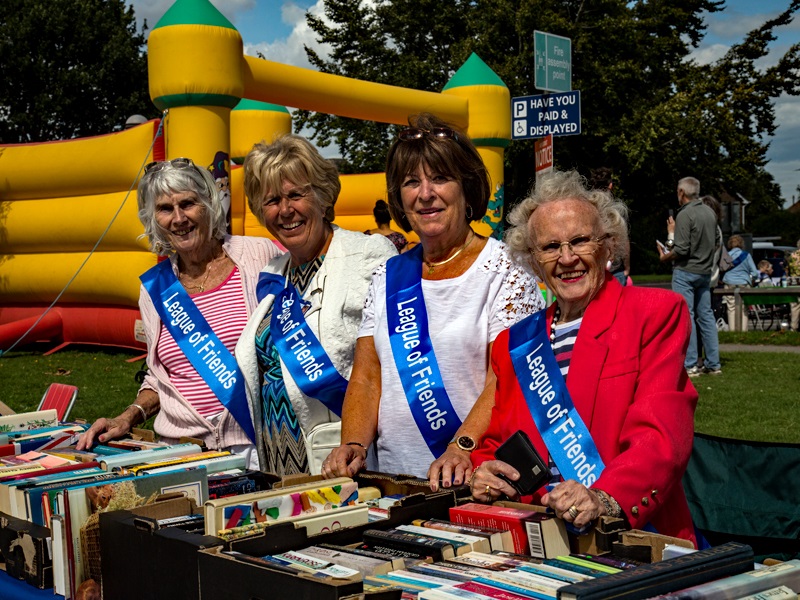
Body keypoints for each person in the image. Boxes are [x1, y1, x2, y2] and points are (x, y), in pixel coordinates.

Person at [469, 170, 699, 547]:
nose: (567, 258)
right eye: (550, 247)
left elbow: (661, 437)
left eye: (579, 241)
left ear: (608, 245)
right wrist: (484, 469)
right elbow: (495, 440)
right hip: (538, 537)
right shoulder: (514, 343)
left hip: (630, 537)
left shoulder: (655, 313)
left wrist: (604, 498)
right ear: (532, 258)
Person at [322, 113, 544, 488]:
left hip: (471, 480)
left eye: (440, 178)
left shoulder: (505, 268)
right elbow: (367, 377)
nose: (425, 194)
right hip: (389, 483)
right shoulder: (387, 275)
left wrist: (461, 447)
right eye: (411, 182)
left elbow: (506, 379)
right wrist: (354, 443)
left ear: (466, 187)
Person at [78, 158, 282, 468]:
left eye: (187, 204)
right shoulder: (154, 288)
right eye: (164, 208)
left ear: (209, 204)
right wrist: (128, 415)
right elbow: (161, 376)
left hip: (256, 448)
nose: (178, 218)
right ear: (153, 218)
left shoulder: (259, 255)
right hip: (179, 452)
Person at [236, 135, 396, 476]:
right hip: (276, 458)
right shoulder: (273, 272)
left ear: (323, 197)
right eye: (272, 200)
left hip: (340, 461)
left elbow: (386, 366)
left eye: (296, 194)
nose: (285, 210)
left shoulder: (368, 256)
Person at [657, 176, 722, 376]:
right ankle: (713, 364)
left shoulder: (685, 214)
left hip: (685, 271)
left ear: (681, 193)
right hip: (704, 271)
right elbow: (718, 240)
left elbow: (682, 249)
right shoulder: (710, 212)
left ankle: (691, 363)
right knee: (707, 316)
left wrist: (665, 257)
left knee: (688, 316)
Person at [588, 167, 629, 286]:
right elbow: (624, 241)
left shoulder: (586, 208)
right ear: (610, 185)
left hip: (593, 266)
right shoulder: (617, 209)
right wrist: (627, 267)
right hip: (615, 267)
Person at [721, 234, 759, 331]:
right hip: (744, 283)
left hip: (729, 283)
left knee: (731, 308)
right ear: (742, 244)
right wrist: (751, 279)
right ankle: (743, 331)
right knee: (744, 309)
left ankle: (733, 331)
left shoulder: (726, 256)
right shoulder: (746, 255)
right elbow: (755, 273)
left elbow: (721, 269)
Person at [788, 239, 800, 331]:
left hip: (794, 282)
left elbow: (788, 269)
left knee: (794, 306)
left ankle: (793, 327)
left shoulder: (792, 255)